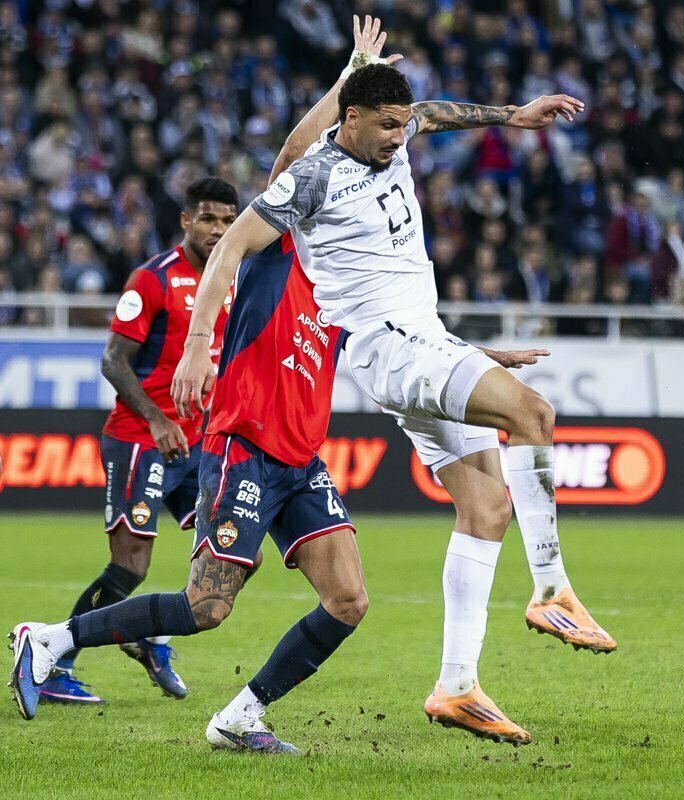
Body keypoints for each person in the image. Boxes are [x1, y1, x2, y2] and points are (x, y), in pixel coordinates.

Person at [171, 57, 609, 746]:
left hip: (425, 341)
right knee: (534, 415)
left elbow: (433, 112)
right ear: (349, 119)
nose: (398, 137)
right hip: (392, 350)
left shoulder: (399, 134)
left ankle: (457, 686)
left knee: (487, 508)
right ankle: (552, 590)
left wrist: (514, 115)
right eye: (384, 126)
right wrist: (199, 344)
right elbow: (229, 247)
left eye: (402, 126)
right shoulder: (313, 178)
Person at [10, 17, 394, 755]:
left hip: (300, 461)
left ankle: (239, 717)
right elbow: (292, 157)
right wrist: (351, 78)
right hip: (242, 446)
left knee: (349, 599)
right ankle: (53, 639)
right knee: (206, 606)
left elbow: (401, 339)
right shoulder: (279, 248)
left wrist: (477, 361)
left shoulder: (347, 290)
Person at [38, 177, 238, 707]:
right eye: (208, 218)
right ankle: (53, 663)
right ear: (186, 220)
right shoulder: (153, 279)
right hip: (140, 439)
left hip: (197, 444)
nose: (218, 230)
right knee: (131, 565)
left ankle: (153, 635)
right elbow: (113, 360)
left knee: (233, 549)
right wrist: (155, 420)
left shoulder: (231, 279)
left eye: (227, 220)